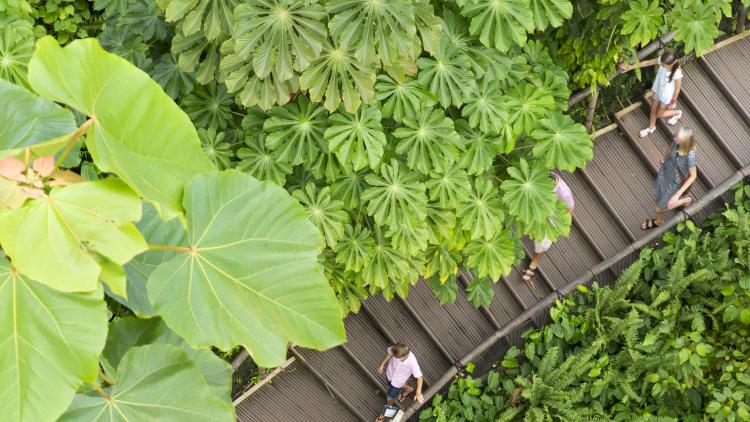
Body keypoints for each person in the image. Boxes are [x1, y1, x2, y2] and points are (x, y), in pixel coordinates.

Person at [522, 171, 575, 282]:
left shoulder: (563, 192)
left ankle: (535, 261)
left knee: (544, 240)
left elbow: (570, 208)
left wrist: (558, 227)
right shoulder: (543, 174)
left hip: (553, 212)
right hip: (538, 203)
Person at [641, 127, 697, 229]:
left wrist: (677, 195)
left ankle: (685, 201)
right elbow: (670, 147)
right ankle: (659, 219)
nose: (674, 137)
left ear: (684, 142)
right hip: (665, 172)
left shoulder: (690, 156)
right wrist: (664, 157)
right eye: (676, 135)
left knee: (659, 208)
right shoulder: (676, 142)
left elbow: (693, 176)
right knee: (655, 196)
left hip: (674, 182)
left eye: (678, 137)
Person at [618, 51, 684, 137]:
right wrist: (630, 67)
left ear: (673, 62)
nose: (662, 66)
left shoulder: (677, 73)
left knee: (660, 114)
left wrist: (672, 102)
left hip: (667, 97)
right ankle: (651, 127)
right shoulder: (662, 60)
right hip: (658, 91)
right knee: (653, 109)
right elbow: (648, 62)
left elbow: (677, 89)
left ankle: (677, 112)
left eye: (664, 65)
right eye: (662, 64)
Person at [375, 342, 424, 421]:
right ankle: (408, 389)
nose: (393, 356)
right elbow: (390, 354)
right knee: (389, 384)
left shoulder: (412, 362)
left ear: (403, 356)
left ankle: (383, 416)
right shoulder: (397, 348)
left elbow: (420, 377)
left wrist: (418, 392)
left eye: (395, 357)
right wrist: (382, 364)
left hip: (398, 382)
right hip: (389, 375)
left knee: (390, 399)